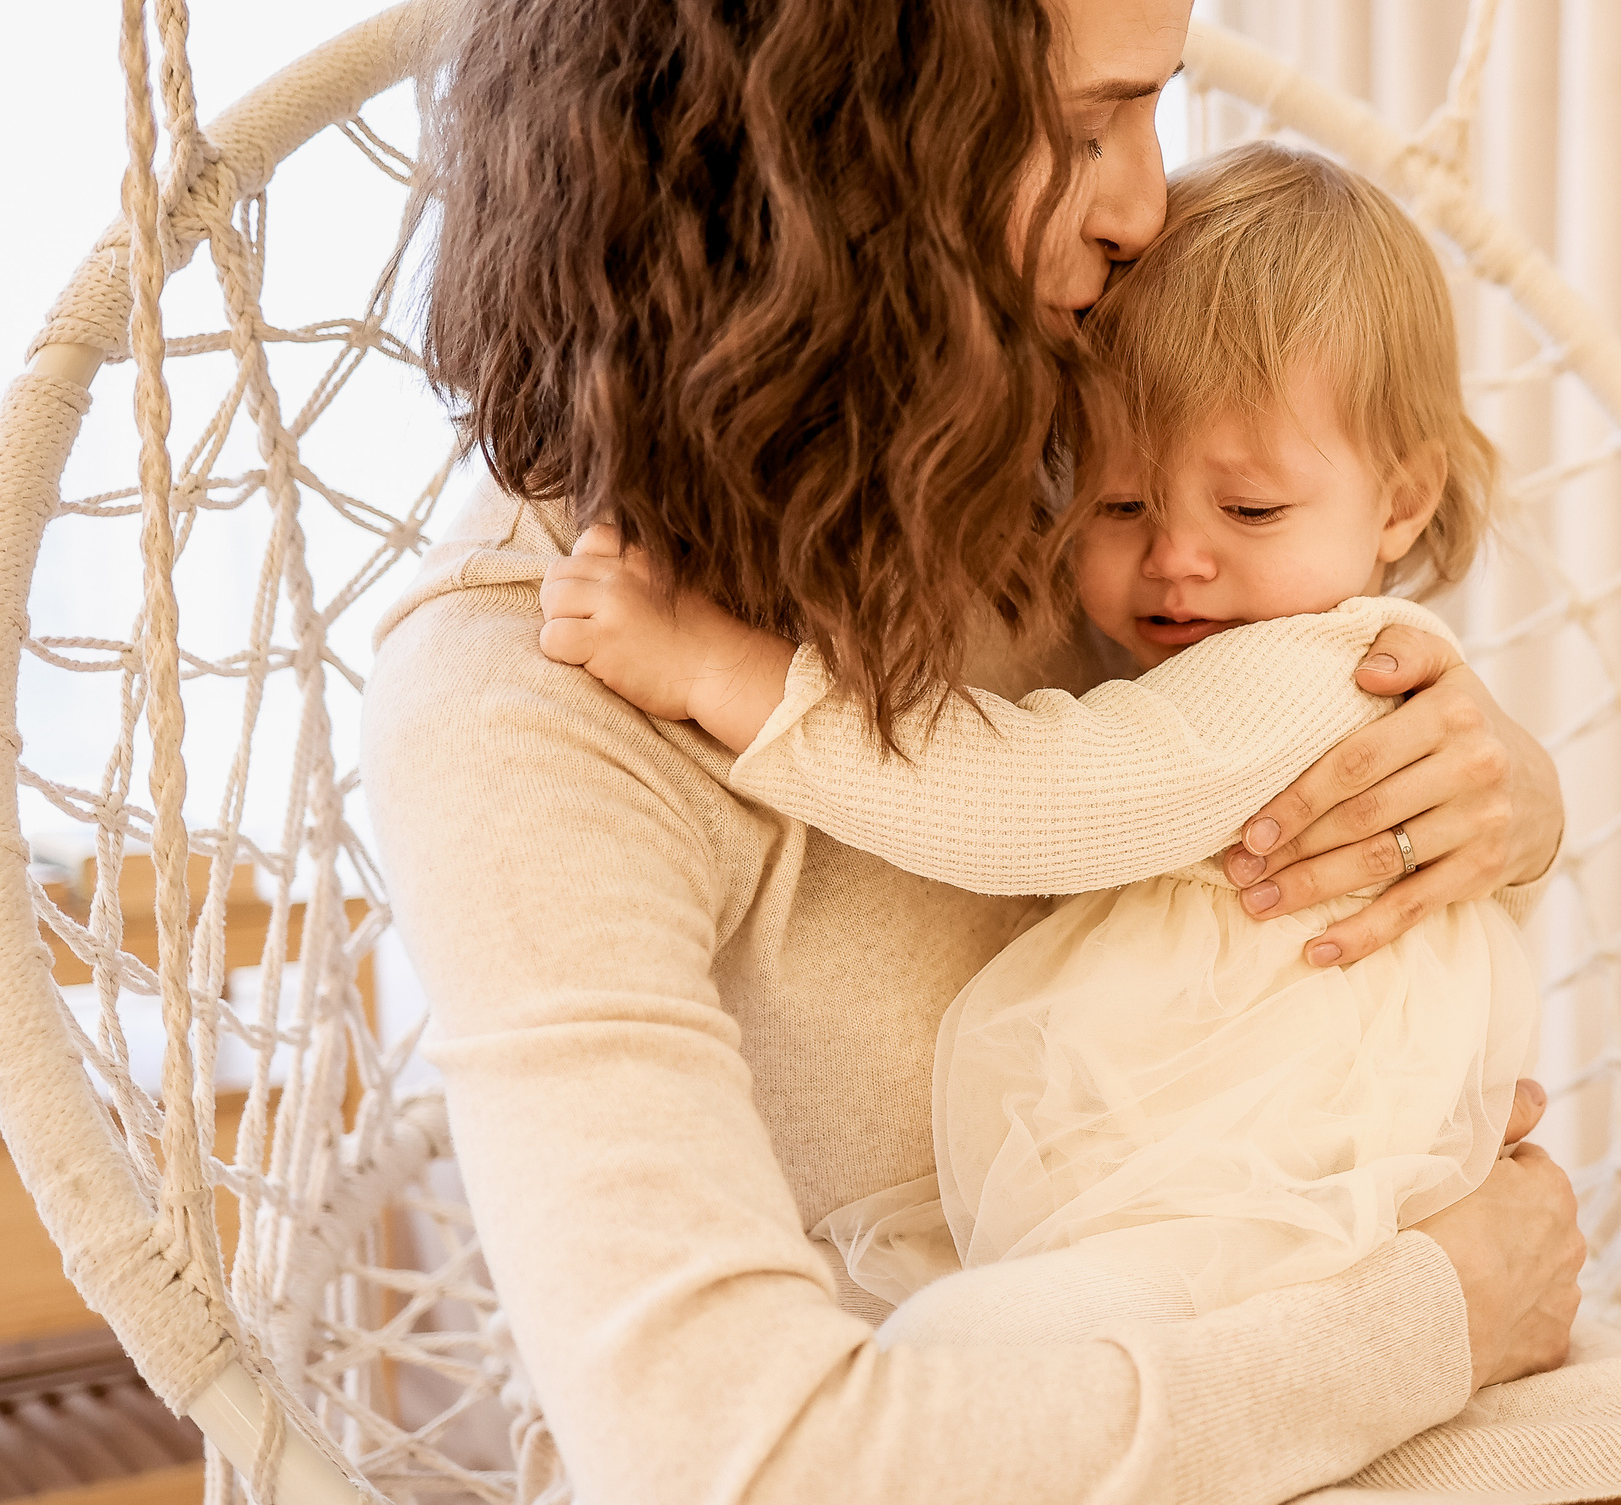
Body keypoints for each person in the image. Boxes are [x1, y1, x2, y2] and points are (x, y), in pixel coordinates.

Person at [365, 0, 1621, 1499]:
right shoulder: (519, 713)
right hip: (1035, 1406)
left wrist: (1490, 794)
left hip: (1311, 1276)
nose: (1151, 209)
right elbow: (760, 1456)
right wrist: (1441, 1307)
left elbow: (1230, 735)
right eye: (1095, 122)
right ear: (843, 137)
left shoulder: (1047, 479)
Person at [541, 143, 1546, 1341]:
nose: (1176, 557)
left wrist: (731, 675)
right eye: (1118, 504)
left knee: (1008, 1356)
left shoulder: (1319, 672)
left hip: (1265, 1197)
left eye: (1250, 509)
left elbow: (1037, 798)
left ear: (1399, 502)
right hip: (1224, 1188)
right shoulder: (1221, 640)